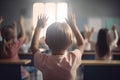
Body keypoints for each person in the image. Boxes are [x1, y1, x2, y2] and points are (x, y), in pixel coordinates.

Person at [29, 14, 86, 80]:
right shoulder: (72, 59)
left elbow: (33, 47)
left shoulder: (44, 61)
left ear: (46, 42)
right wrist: (73, 26)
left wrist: (38, 27)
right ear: (70, 43)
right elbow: (81, 44)